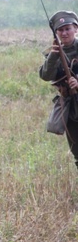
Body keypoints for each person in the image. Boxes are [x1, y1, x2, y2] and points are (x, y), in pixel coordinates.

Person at [40, 11, 78, 170]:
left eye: (67, 28)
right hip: (69, 107)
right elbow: (45, 76)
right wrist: (54, 56)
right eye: (60, 30)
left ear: (75, 28)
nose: (64, 33)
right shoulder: (53, 53)